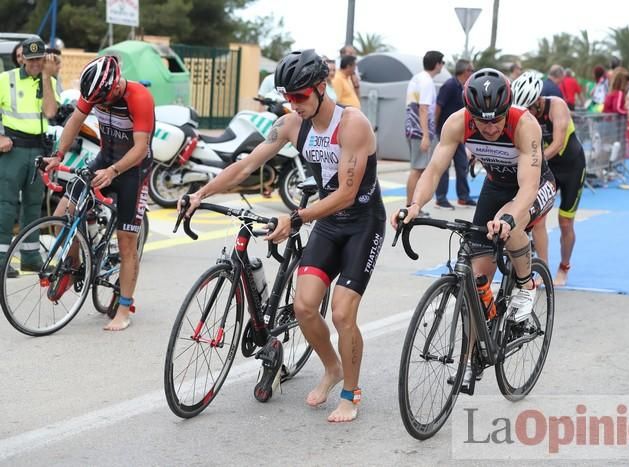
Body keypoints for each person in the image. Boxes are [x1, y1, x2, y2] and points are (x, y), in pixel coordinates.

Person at [180, 49, 385, 423]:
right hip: (328, 222)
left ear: (321, 88)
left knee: (341, 313)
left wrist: (296, 218)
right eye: (288, 97)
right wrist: (200, 194)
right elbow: (247, 164)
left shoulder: (352, 124)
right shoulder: (292, 125)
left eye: (300, 96)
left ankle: (350, 392)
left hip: (361, 223)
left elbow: (346, 194)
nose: (294, 104)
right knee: (305, 306)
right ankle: (332, 367)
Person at [391, 68, 556, 387]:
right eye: (483, 121)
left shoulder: (524, 124)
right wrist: (414, 206)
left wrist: (508, 218)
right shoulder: (457, 122)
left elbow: (527, 188)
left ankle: (526, 285)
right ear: (471, 113)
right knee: (476, 280)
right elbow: (434, 169)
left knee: (513, 224)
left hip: (532, 185)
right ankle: (471, 359)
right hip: (496, 184)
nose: (491, 127)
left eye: (497, 120)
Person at [44, 55, 155, 331]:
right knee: (62, 214)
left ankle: (124, 309)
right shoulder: (95, 90)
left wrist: (114, 172)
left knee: (127, 241)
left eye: (103, 100)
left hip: (132, 170)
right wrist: (58, 155)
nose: (99, 104)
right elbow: (74, 121)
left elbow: (141, 148)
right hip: (105, 159)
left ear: (116, 85)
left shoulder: (138, 97)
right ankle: (73, 263)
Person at [512, 71, 586, 286]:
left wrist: (533, 159)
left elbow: (558, 143)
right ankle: (542, 271)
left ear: (538, 101)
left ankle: (564, 266)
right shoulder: (526, 114)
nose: (528, 114)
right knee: (537, 221)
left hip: (572, 167)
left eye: (530, 108)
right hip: (548, 170)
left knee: (565, 223)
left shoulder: (557, 105)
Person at [0, 37, 59, 278]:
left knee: (34, 206)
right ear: (21, 57)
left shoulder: (48, 81)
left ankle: (31, 257)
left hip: (38, 150)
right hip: (12, 149)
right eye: (31, 59)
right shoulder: (6, 79)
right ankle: (1, 259)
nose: (35, 64)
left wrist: (46, 77)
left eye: (39, 59)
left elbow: (50, 112)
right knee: (6, 205)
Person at [404, 50, 444, 216]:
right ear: (437, 64)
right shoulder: (427, 82)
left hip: (412, 128)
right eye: (442, 62)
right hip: (420, 131)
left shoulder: (418, 77)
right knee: (418, 169)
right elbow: (423, 109)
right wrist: (426, 136)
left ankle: (411, 205)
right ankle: (411, 206)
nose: (443, 66)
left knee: (418, 168)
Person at [434, 59, 475, 209]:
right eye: (471, 70)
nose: (473, 73)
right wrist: (435, 128)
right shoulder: (450, 85)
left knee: (462, 163)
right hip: (446, 133)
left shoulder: (464, 87)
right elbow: (438, 107)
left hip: (459, 134)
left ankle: (463, 197)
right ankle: (440, 198)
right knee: (443, 165)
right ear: (465, 71)